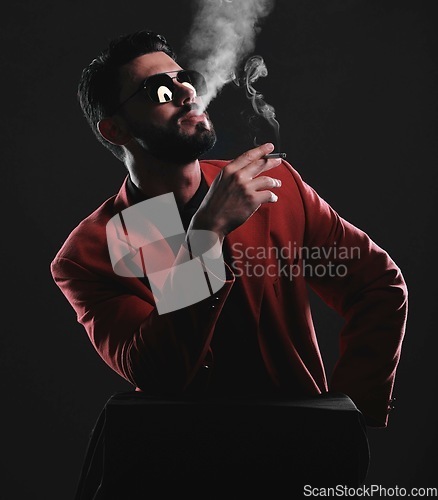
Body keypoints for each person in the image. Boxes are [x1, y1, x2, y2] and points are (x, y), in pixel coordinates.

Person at [51, 29, 408, 431]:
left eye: (186, 80)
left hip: (301, 451)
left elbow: (377, 285)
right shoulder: (88, 254)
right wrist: (206, 233)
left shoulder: (277, 187)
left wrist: (350, 416)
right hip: (179, 465)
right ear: (115, 130)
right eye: (159, 92)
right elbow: (158, 372)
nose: (186, 92)